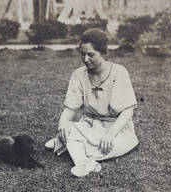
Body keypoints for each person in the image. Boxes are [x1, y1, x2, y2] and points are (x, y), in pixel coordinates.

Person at [45, 28, 139, 177]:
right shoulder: (78, 75)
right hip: (90, 125)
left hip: (117, 129)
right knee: (68, 128)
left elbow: (128, 111)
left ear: (102, 52)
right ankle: (84, 163)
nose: (85, 59)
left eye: (91, 55)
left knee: (108, 144)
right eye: (82, 54)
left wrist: (110, 134)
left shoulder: (119, 72)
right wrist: (62, 124)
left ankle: (70, 146)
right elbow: (69, 109)